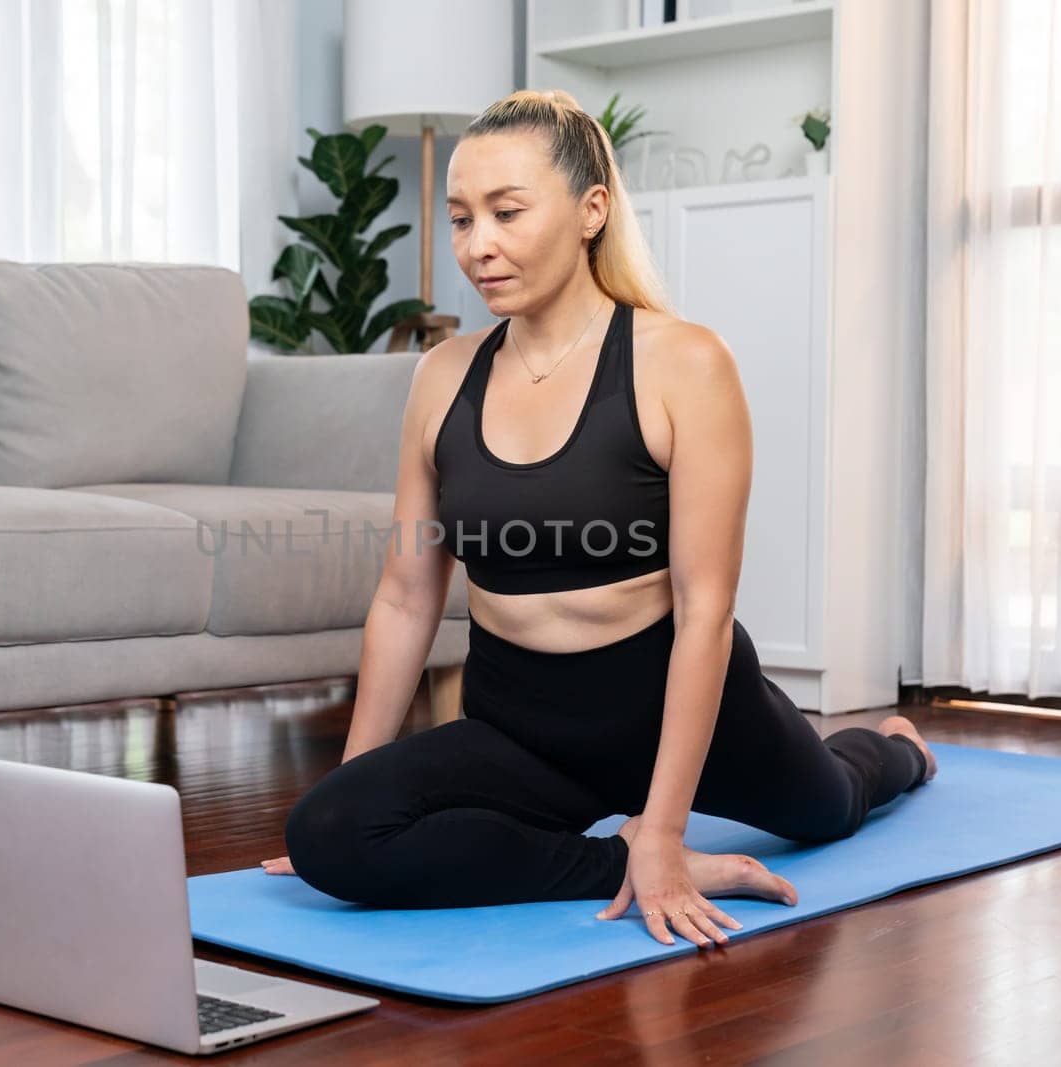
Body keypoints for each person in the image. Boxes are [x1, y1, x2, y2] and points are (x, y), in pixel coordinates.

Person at [259, 89, 936, 948]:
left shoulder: (682, 362)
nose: (479, 246)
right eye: (462, 219)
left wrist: (666, 827)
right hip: (520, 726)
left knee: (832, 807)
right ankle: (605, 859)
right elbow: (404, 597)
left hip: (684, 710)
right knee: (325, 834)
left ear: (591, 210)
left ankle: (902, 748)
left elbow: (705, 611)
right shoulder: (443, 375)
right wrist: (357, 785)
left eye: (507, 213)